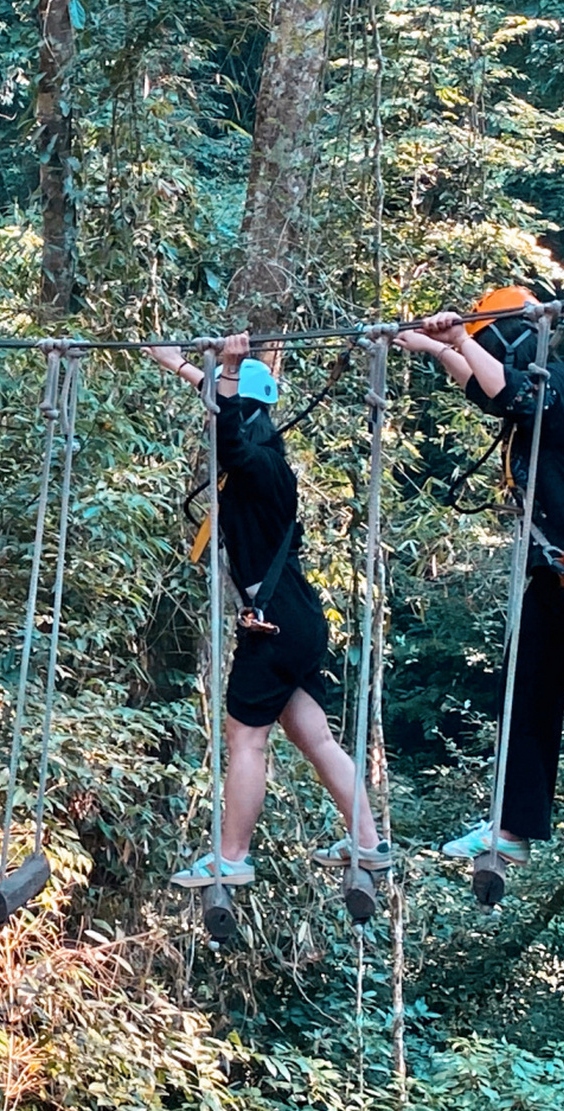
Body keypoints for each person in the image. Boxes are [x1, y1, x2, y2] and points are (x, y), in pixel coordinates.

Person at [395, 287, 564, 865]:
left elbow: (505, 390)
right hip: (559, 579)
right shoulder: (537, 392)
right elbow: (490, 389)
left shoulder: (559, 385)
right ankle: (514, 827)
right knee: (527, 693)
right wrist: (429, 345)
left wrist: (456, 341)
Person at [144, 334, 390, 886]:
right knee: (316, 738)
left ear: (242, 416)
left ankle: (231, 858)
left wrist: (228, 368)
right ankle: (369, 844)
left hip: (277, 619)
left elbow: (227, 435)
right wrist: (181, 366)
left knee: (245, 738)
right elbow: (227, 414)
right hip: (293, 616)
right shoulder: (263, 463)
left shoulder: (258, 466)